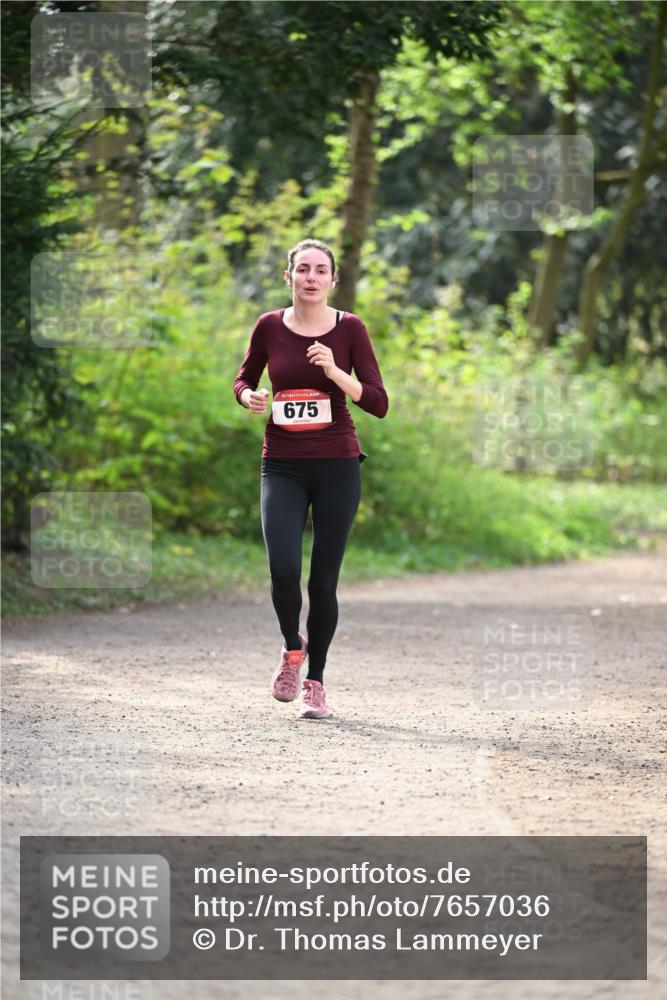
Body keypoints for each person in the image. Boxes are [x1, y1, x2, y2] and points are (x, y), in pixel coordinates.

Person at [233, 238, 389, 719]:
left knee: (323, 583)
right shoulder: (268, 326)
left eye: (321, 270)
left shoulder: (350, 329)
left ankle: (316, 680)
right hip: (282, 463)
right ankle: (291, 648)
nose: (311, 277)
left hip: (337, 464)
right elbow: (243, 379)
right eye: (303, 269)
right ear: (289, 277)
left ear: (333, 280)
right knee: (283, 569)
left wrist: (336, 372)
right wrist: (249, 398)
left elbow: (378, 402)